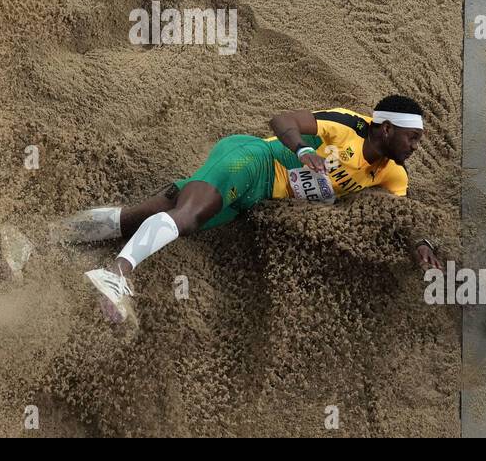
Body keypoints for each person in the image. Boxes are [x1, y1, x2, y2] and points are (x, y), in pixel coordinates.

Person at [54, 97, 442, 324]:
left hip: (252, 199)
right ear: (387, 129)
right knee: (187, 217)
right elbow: (282, 120)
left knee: (138, 217)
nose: (415, 147)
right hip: (252, 160)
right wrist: (303, 148)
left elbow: (399, 216)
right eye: (413, 138)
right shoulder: (347, 126)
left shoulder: (392, 174)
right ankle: (116, 274)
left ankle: (48, 236)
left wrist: (420, 243)